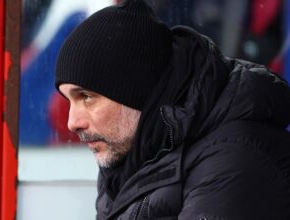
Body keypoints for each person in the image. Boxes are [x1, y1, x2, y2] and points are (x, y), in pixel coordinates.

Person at [55, 0, 290, 219]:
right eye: (69, 100)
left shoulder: (233, 159)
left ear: (137, 91)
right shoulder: (129, 154)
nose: (72, 122)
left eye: (86, 97)